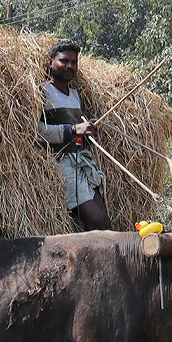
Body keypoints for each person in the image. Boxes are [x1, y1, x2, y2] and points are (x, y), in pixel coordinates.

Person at [37, 40, 111, 231]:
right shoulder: (42, 91)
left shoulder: (75, 95)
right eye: (64, 61)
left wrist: (86, 131)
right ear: (50, 62)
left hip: (82, 161)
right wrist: (73, 130)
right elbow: (36, 131)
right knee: (93, 219)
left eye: (74, 62)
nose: (69, 66)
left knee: (104, 219)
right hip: (61, 163)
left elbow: (77, 131)